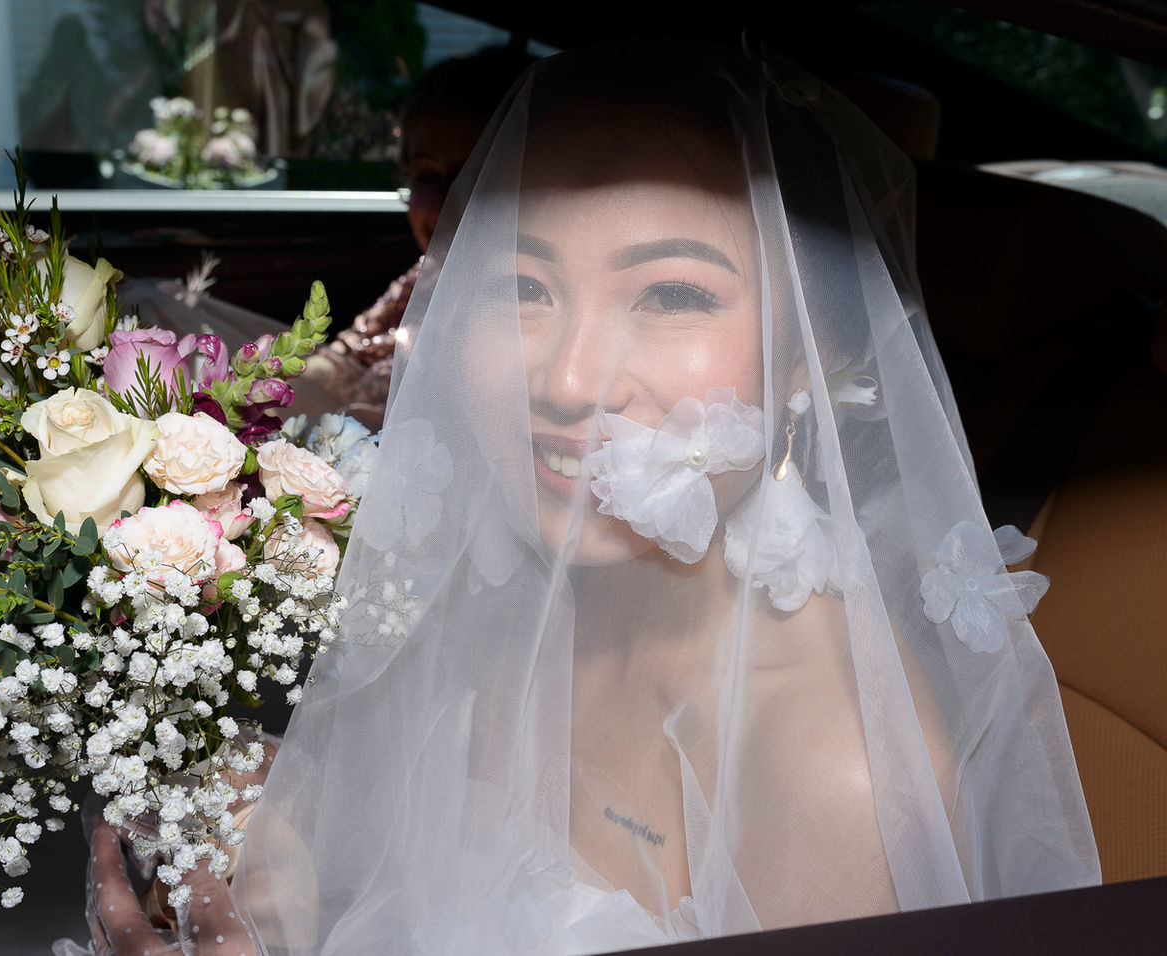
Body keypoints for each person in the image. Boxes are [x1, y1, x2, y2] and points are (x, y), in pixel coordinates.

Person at [77, 38, 1100, 956]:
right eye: (520, 286)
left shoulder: (836, 781)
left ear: (812, 353)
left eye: (670, 295)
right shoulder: (487, 611)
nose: (566, 379)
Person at [301, 45, 537, 429]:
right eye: (428, 176)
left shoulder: (517, 305)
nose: (446, 203)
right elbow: (351, 349)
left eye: (475, 177)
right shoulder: (427, 273)